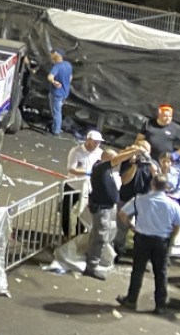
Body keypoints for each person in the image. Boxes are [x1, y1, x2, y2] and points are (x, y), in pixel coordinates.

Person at [116, 173, 180, 313]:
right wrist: (171, 238)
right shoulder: (173, 205)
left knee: (138, 270)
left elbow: (122, 214)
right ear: (166, 187)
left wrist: (131, 227)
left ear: (152, 185)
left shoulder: (140, 199)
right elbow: (177, 225)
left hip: (142, 238)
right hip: (161, 241)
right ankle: (160, 305)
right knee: (161, 272)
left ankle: (131, 300)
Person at [83, 146, 142, 279]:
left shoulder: (107, 170)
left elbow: (119, 157)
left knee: (98, 234)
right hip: (101, 208)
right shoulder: (100, 168)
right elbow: (117, 158)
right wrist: (134, 152)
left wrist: (131, 154)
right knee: (100, 237)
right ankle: (92, 266)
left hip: (106, 206)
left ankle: (92, 258)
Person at [64, 131, 105, 236]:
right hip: (73, 185)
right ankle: (66, 233)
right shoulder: (76, 151)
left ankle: (79, 234)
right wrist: (89, 172)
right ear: (88, 140)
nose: (97, 144)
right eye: (95, 142)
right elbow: (71, 169)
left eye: (99, 142)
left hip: (89, 187)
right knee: (66, 209)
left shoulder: (100, 153)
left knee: (83, 212)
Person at [46, 49, 73, 136]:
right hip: (65, 93)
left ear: (57, 56)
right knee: (58, 111)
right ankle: (56, 127)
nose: (51, 57)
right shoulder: (68, 65)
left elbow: (50, 77)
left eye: (53, 55)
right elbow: (70, 77)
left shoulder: (56, 67)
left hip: (56, 93)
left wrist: (54, 82)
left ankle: (56, 131)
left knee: (56, 112)